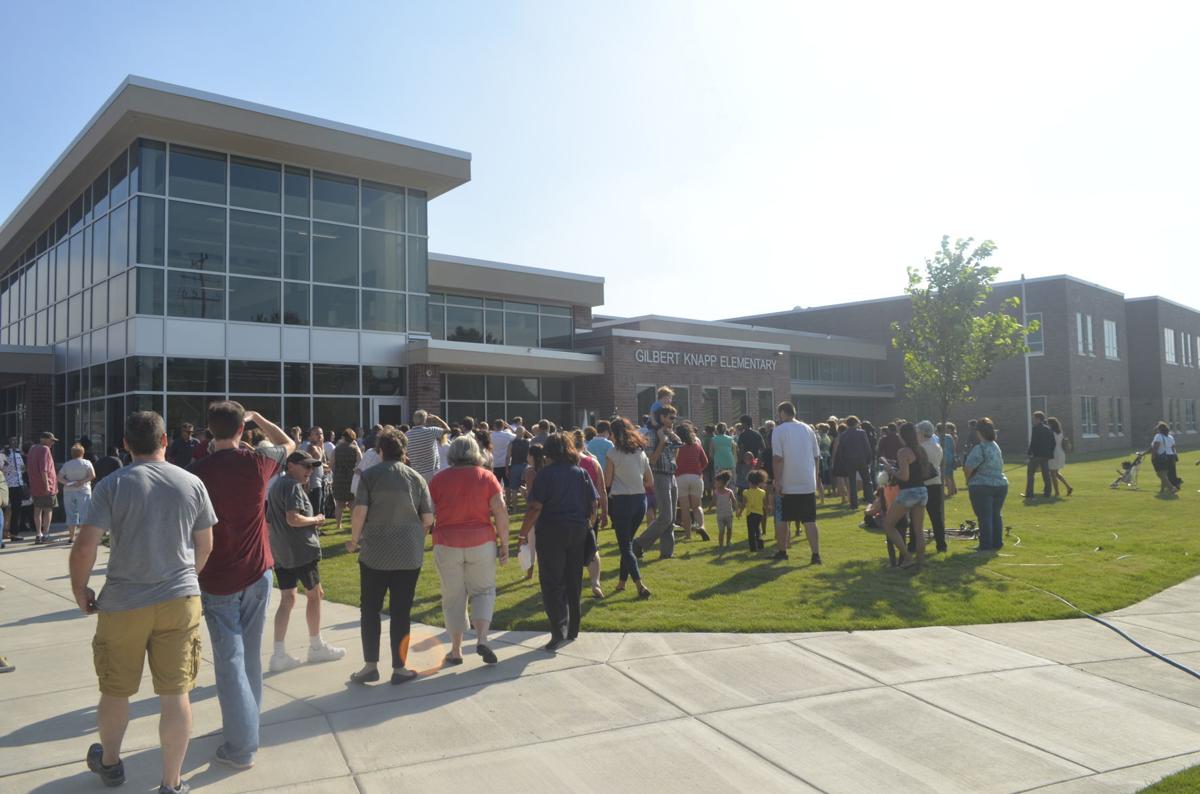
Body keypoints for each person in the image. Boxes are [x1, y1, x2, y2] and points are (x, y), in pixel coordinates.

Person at [69, 410, 216, 794]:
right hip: (179, 598)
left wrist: (80, 589)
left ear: (125, 445)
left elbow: (85, 546)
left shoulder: (112, 485)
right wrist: (187, 577)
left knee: (116, 690)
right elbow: (205, 544)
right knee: (175, 693)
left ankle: (112, 762)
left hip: (124, 602)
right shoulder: (192, 482)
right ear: (165, 440)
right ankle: (171, 782)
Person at [188, 402, 296, 771]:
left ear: (208, 431)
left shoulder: (196, 472)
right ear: (241, 430)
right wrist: (259, 419)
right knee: (248, 657)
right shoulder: (258, 463)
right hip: (257, 572)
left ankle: (241, 744)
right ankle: (245, 726)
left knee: (230, 662)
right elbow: (288, 443)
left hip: (217, 577)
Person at [347, 430, 434, 684]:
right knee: (401, 611)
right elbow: (428, 519)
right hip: (408, 554)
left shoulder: (370, 476)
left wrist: (354, 541)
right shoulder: (417, 478)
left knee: (370, 610)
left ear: (380, 451)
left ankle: (370, 665)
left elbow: (359, 512)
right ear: (404, 451)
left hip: (375, 552)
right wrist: (416, 535)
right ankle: (400, 668)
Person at [428, 435, 509, 665]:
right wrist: (505, 544)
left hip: (446, 542)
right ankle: (482, 638)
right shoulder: (487, 477)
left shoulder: (439, 479)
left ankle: (456, 650)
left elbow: (427, 513)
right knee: (483, 591)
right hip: (482, 542)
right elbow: (500, 512)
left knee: (453, 596)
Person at [518, 432, 598, 652]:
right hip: (577, 529)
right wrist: (587, 525)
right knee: (574, 579)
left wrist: (523, 533)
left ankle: (558, 630)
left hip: (552, 531)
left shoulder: (545, 475)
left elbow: (535, 507)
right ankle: (573, 628)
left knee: (552, 582)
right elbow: (593, 505)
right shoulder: (581, 472)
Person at [266, 451, 343, 673]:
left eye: (312, 467)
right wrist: (316, 519)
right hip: (301, 551)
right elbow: (294, 518)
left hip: (282, 552)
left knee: (287, 599)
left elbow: (270, 520)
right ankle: (316, 646)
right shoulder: (291, 486)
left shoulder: (277, 485)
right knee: (315, 595)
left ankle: (278, 654)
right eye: (305, 466)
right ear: (291, 465)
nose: (310, 471)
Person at [603, 418, 653, 598]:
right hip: (640, 501)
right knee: (628, 544)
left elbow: (607, 481)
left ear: (614, 434)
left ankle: (640, 584)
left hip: (622, 502)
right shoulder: (640, 452)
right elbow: (650, 481)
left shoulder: (612, 453)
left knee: (625, 546)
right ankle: (621, 582)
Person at [771, 402, 822, 564]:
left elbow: (778, 459)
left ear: (781, 413)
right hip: (807, 481)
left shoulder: (778, 431)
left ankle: (782, 551)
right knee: (810, 520)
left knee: (783, 519)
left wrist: (777, 481)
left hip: (788, 482)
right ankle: (815, 555)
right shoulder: (808, 429)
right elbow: (816, 457)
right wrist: (815, 476)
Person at [880, 422, 934, 570]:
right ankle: (920, 562)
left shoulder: (903, 451)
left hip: (908, 492)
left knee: (888, 524)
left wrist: (890, 470)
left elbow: (904, 477)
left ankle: (907, 557)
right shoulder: (921, 449)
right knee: (918, 530)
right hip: (922, 491)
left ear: (902, 435)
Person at [633, 404, 682, 560]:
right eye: (671, 417)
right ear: (662, 417)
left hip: (671, 475)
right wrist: (662, 441)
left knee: (671, 518)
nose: (674, 420)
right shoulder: (652, 435)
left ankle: (667, 553)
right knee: (665, 517)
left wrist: (671, 435)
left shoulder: (668, 432)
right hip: (659, 476)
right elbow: (651, 460)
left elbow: (679, 446)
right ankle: (639, 543)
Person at [573, 429, 609, 598]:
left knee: (572, 549)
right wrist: (605, 512)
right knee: (592, 548)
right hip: (591, 511)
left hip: (572, 511)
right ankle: (595, 583)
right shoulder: (593, 462)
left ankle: (573, 584)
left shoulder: (567, 463)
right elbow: (602, 489)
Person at [964, 417, 1008, 551]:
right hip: (1001, 484)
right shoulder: (996, 446)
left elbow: (968, 467)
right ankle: (997, 542)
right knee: (996, 515)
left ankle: (985, 545)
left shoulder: (980, 448)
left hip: (982, 485)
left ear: (979, 432)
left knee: (984, 516)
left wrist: (968, 480)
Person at [674, 422, 710, 542]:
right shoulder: (696, 446)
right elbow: (705, 461)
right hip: (696, 477)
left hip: (680, 478)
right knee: (697, 506)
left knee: (684, 508)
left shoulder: (676, 447)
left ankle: (688, 535)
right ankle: (701, 526)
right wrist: (699, 470)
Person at [916, 421, 947, 553]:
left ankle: (913, 544)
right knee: (936, 517)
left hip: (923, 483)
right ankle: (941, 544)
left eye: (917, 432)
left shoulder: (920, 448)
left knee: (916, 517)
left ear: (922, 433)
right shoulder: (937, 446)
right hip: (936, 482)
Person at [58, 443, 96, 544]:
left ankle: (71, 537)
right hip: (84, 490)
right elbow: (92, 475)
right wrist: (82, 481)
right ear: (83, 453)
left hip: (69, 490)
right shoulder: (87, 463)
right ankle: (84, 538)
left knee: (70, 514)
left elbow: (59, 477)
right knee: (84, 514)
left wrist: (68, 483)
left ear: (72, 453)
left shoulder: (67, 464)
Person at [835, 416, 874, 510]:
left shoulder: (843, 434)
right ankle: (870, 501)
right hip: (861, 459)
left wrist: (844, 461)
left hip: (849, 460)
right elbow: (867, 446)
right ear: (856, 423)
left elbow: (841, 450)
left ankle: (854, 504)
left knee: (852, 483)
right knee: (867, 481)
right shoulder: (862, 433)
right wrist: (869, 459)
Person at [27, 431, 58, 544]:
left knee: (37, 510)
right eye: (51, 440)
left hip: (35, 485)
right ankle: (45, 535)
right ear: (44, 439)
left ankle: (38, 534)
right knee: (48, 509)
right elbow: (44, 470)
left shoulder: (32, 448)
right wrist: (47, 486)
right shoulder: (45, 449)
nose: (52, 443)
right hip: (47, 485)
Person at [405, 409, 451, 482]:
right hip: (431, 472)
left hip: (415, 472)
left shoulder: (407, 435)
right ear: (425, 420)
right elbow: (448, 430)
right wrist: (437, 419)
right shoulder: (431, 431)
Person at [331, 429, 362, 531]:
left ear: (343, 437)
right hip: (351, 477)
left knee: (339, 504)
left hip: (339, 477)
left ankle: (338, 524)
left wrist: (336, 471)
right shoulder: (355, 449)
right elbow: (360, 463)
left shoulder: (336, 449)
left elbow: (332, 464)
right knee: (352, 502)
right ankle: (353, 524)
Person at [1025, 410, 1056, 498]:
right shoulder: (1048, 428)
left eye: (1034, 418)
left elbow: (1033, 442)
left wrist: (1029, 453)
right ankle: (1047, 493)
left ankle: (1029, 493)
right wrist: (1050, 452)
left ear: (1038, 418)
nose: (1034, 420)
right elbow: (1053, 442)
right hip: (1046, 455)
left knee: (1030, 474)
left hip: (1037, 455)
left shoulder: (1035, 428)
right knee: (1046, 474)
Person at [1149, 421, 1181, 494]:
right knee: (1164, 474)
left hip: (1162, 457)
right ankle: (1162, 490)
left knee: (1160, 474)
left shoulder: (1158, 436)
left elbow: (1155, 447)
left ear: (1159, 429)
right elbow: (1173, 448)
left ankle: (1172, 488)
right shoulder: (1170, 437)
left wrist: (1153, 457)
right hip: (1171, 457)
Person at [2, 437, 24, 542]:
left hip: (18, 485)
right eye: (12, 440)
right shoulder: (3, 453)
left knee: (16, 510)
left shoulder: (18, 453)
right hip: (6, 485)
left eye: (16, 441)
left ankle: (14, 534)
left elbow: (23, 468)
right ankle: (3, 532)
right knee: (4, 509)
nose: (15, 442)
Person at [742, 469, 769, 551]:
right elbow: (765, 504)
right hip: (759, 513)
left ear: (749, 481)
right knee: (757, 528)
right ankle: (760, 544)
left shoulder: (746, 492)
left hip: (750, 514)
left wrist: (740, 512)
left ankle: (753, 548)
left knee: (751, 531)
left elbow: (744, 504)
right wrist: (767, 510)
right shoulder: (762, 492)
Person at [1047, 417, 1074, 497]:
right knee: (1056, 473)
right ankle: (1068, 487)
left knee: (1053, 474)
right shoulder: (1060, 432)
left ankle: (1057, 492)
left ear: (1051, 424)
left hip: (1054, 454)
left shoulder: (1051, 433)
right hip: (1061, 453)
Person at [713, 471, 738, 549]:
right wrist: (709, 509)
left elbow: (734, 502)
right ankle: (721, 545)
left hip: (729, 514)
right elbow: (713, 501)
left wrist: (737, 510)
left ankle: (728, 542)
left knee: (729, 529)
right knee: (721, 530)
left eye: (716, 482)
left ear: (721, 482)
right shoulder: (716, 492)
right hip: (720, 515)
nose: (715, 484)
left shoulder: (729, 492)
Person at [941, 423, 958, 496]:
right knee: (950, 475)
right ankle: (954, 490)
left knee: (946, 476)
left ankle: (950, 492)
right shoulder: (953, 436)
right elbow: (954, 447)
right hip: (951, 457)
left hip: (946, 457)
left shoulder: (946, 437)